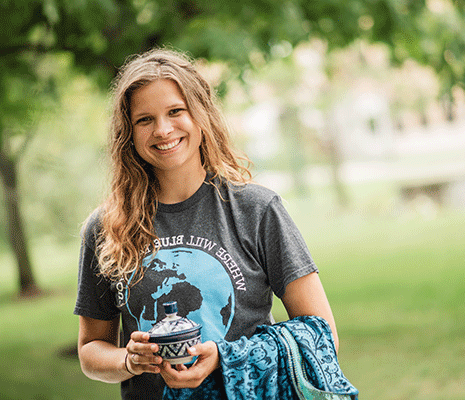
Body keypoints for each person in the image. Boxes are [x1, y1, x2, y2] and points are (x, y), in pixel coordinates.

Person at [74, 47, 339, 400]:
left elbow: (324, 335)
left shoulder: (257, 210)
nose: (163, 129)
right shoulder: (106, 228)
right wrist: (129, 360)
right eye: (145, 119)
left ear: (200, 116)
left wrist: (223, 359)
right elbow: (91, 348)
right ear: (130, 132)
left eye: (175, 111)